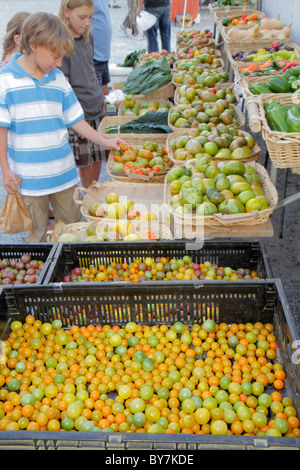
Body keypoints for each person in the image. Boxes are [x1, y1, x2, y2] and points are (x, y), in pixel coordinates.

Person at [0, 12, 125, 243]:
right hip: (28, 179)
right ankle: (41, 276)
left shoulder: (57, 79)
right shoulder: (5, 82)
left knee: (73, 229)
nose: (59, 64)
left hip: (63, 175)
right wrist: (5, 169)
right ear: (34, 45)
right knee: (36, 233)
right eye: (56, 57)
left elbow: (77, 121)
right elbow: (2, 129)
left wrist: (106, 141)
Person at [58, 0, 108, 189]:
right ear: (67, 12)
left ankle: (94, 188)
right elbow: (65, 85)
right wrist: (75, 116)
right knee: (85, 159)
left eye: (90, 17)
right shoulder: (63, 45)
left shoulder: (88, 38)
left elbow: (91, 69)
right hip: (79, 112)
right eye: (82, 17)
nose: (87, 22)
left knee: (98, 154)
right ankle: (88, 192)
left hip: (96, 105)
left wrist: (101, 97)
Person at [92, 0, 112, 97]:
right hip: (98, 48)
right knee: (100, 92)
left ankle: (103, 111)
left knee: (102, 91)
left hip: (100, 48)